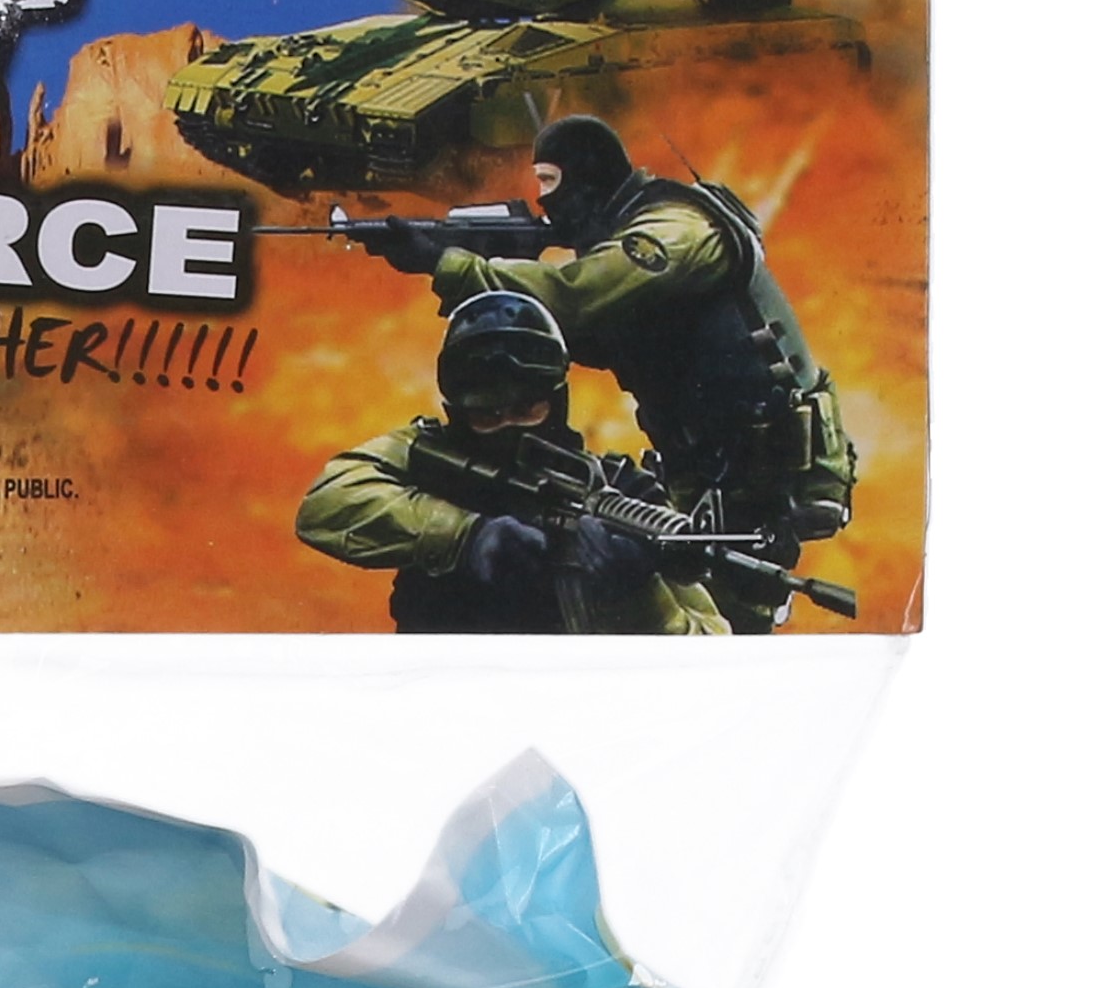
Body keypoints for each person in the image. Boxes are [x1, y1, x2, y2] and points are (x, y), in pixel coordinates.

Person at [424, 112, 857, 627]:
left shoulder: (676, 228)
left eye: (551, 181)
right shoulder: (634, 237)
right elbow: (597, 337)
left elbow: (576, 297)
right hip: (704, 465)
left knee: (732, 616)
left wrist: (452, 265)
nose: (543, 201)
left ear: (589, 175)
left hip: (761, 464)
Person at [296, 291, 723, 635]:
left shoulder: (624, 491)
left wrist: (637, 594)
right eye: (488, 415)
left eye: (526, 410)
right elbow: (329, 500)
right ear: (459, 413)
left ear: (555, 402)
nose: (509, 427)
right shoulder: (433, 455)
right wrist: (469, 536)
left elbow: (708, 645)